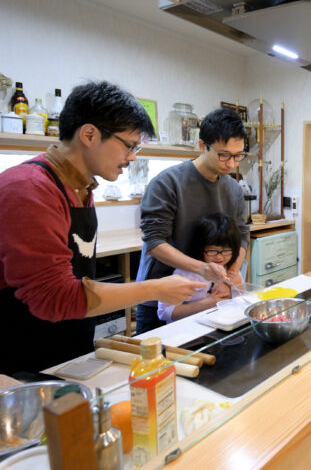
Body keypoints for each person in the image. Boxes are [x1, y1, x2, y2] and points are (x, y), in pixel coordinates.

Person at [0, 81, 204, 374]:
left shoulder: (82, 189)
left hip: (67, 352)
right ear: (89, 134)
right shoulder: (28, 189)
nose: (133, 157)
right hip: (19, 364)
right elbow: (55, 297)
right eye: (129, 145)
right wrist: (155, 288)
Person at [135, 107, 250, 333]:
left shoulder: (234, 190)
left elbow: (243, 236)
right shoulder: (167, 183)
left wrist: (231, 272)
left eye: (238, 156)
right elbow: (154, 243)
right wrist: (204, 269)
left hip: (211, 295)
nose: (231, 164)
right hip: (163, 298)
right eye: (224, 154)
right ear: (201, 146)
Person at [157, 213, 241, 323]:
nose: (219, 256)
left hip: (219, 325)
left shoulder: (230, 269)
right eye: (212, 251)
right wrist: (207, 303)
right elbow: (164, 312)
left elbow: (239, 299)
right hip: (188, 330)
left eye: (226, 251)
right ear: (200, 248)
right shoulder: (186, 274)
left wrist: (234, 288)